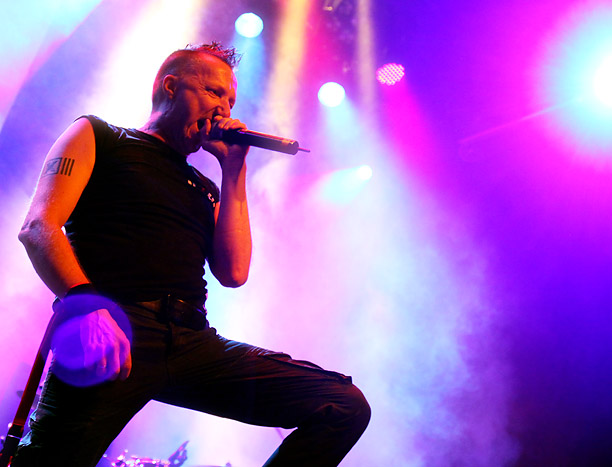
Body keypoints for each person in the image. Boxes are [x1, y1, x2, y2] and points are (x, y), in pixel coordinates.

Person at [13, 42, 370, 467]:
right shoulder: (99, 136)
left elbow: (234, 271)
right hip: (116, 328)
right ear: (171, 86)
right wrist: (85, 304)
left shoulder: (205, 187)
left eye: (231, 101)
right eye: (214, 92)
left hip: (192, 341)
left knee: (342, 406)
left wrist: (233, 168)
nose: (224, 109)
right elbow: (38, 227)